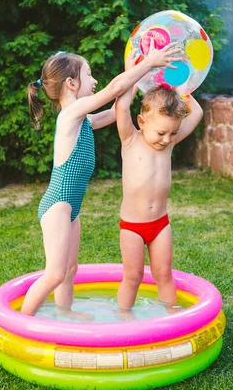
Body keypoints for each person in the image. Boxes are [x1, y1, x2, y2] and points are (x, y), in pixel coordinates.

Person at [21, 42, 181, 316]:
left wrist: (132, 79)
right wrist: (147, 64)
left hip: (70, 208)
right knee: (55, 272)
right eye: (89, 74)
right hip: (58, 205)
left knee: (70, 270)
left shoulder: (83, 119)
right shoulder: (70, 114)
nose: (94, 81)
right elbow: (112, 91)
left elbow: (117, 110)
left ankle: (64, 312)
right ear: (71, 83)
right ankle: (23, 323)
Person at [114, 62, 203, 314]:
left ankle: (173, 317)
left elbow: (195, 114)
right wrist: (134, 75)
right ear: (141, 121)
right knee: (133, 276)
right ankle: (123, 317)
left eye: (173, 133)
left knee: (164, 273)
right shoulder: (130, 139)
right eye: (162, 133)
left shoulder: (170, 142)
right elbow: (122, 107)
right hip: (132, 226)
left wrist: (183, 92)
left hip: (160, 224)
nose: (167, 139)